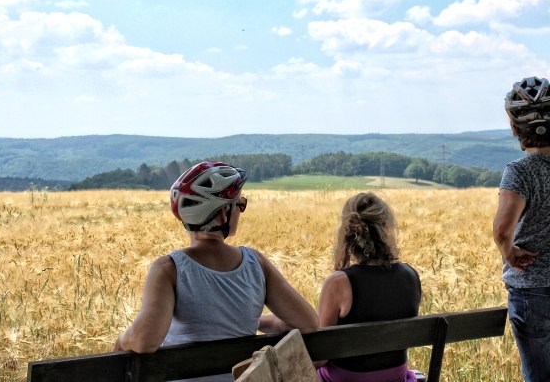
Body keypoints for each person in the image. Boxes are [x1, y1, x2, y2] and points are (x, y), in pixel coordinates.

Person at [114, 161, 319, 381]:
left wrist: (122, 340)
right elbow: (309, 323)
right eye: (240, 204)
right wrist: (252, 321)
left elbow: (145, 340)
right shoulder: (256, 263)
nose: (241, 211)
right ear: (223, 213)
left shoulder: (169, 269)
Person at [316, 192, 422, 382]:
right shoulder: (410, 276)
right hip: (395, 377)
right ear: (386, 228)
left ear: (347, 232)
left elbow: (321, 355)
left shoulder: (338, 283)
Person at [493, 76, 550, 382]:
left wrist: (510, 254)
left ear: (515, 128)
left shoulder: (520, 172)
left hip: (533, 291)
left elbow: (503, 230)